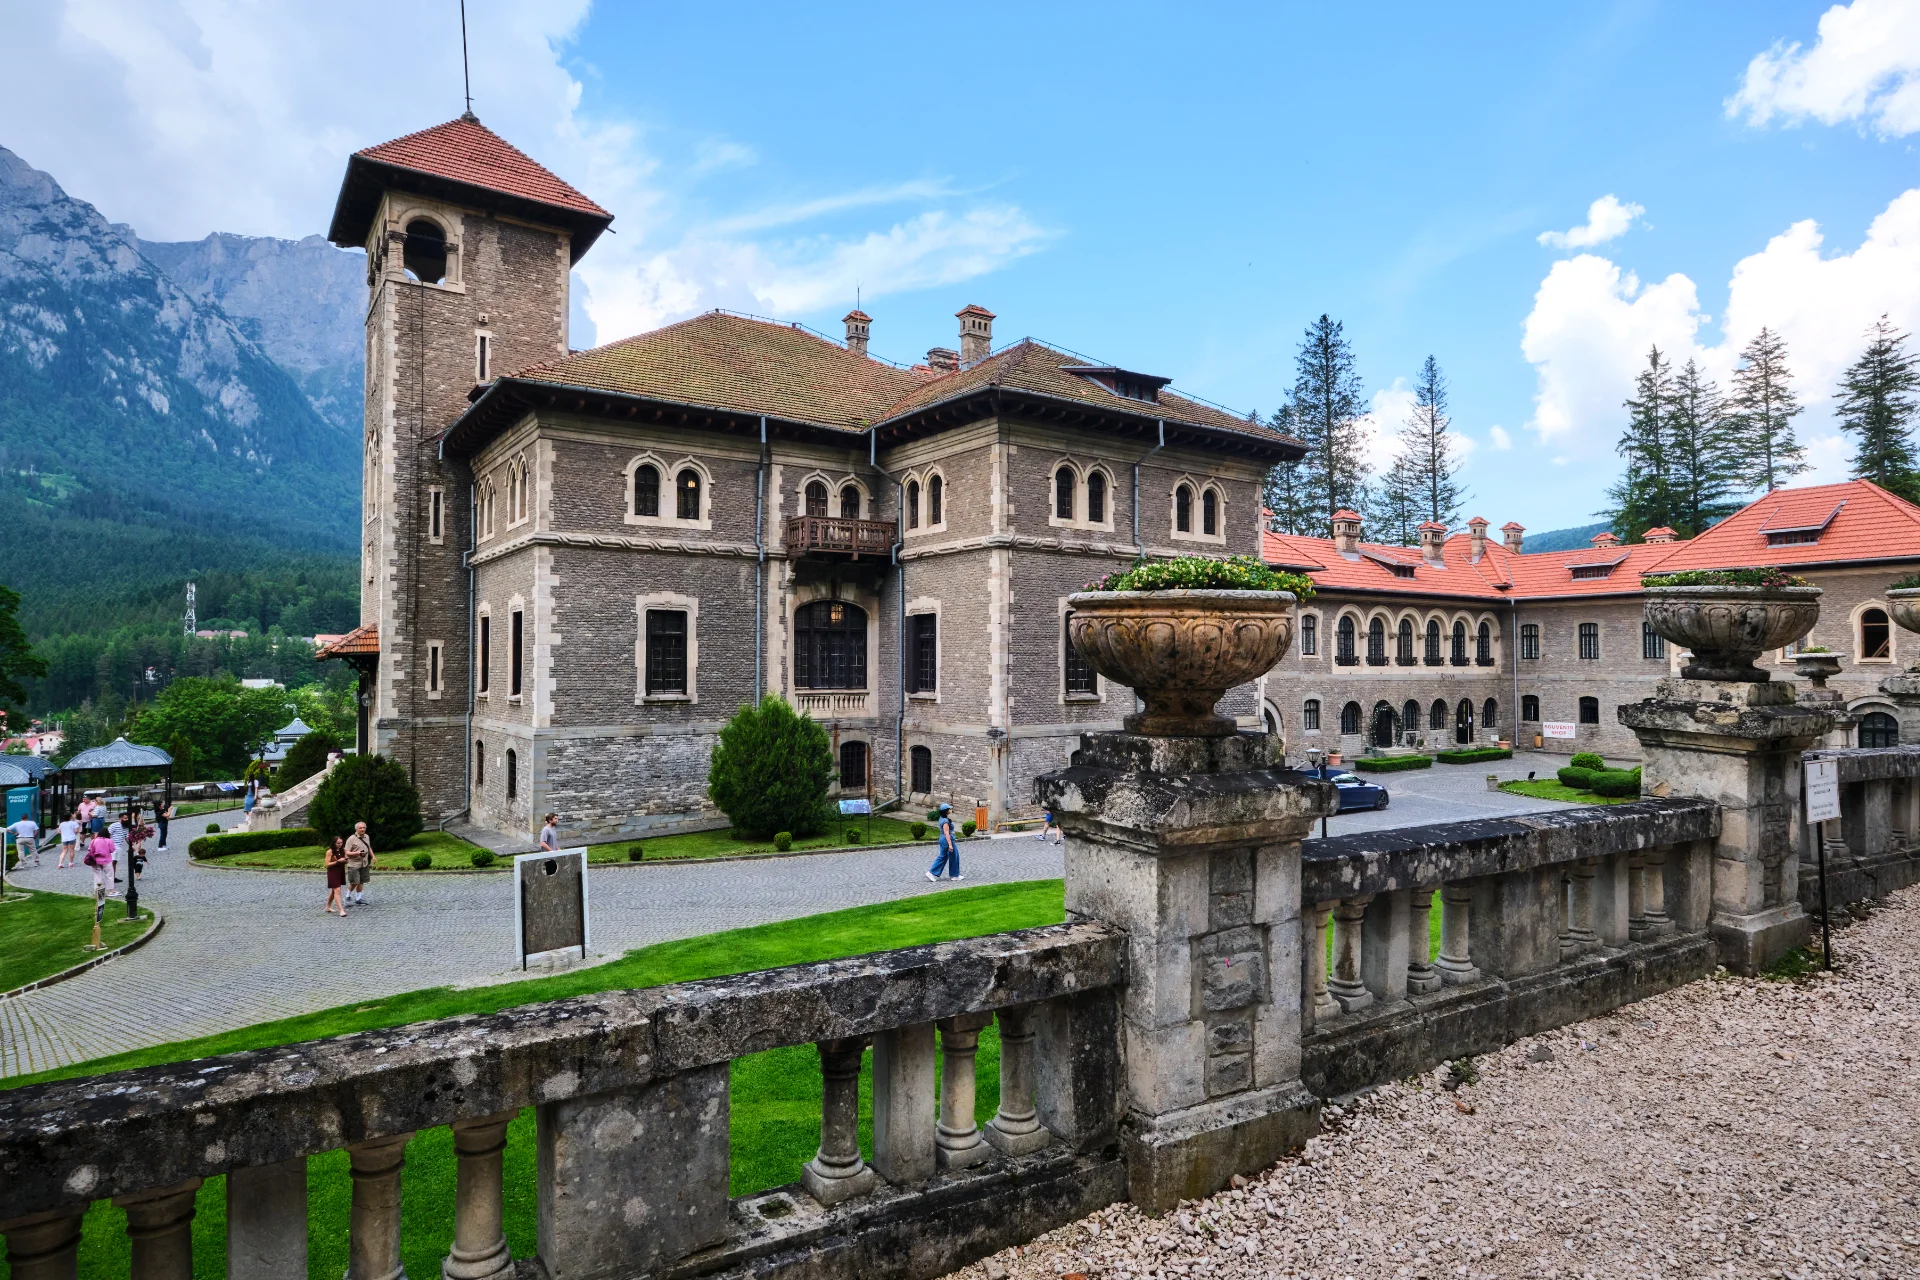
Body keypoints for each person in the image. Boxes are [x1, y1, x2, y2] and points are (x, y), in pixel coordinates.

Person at [925, 803, 963, 882]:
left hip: (943, 839)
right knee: (954, 856)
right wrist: (950, 845)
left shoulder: (942, 818)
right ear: (946, 811)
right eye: (949, 809)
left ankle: (931, 872)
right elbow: (946, 833)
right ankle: (954, 875)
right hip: (947, 840)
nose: (951, 810)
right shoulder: (945, 821)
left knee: (943, 856)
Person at [344, 821, 373, 905]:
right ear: (356, 829)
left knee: (361, 881)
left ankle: (358, 899)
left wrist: (373, 856)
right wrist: (357, 853)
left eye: (364, 828)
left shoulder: (366, 837)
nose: (362, 829)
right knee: (354, 882)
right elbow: (347, 853)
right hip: (354, 864)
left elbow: (369, 847)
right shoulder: (351, 839)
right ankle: (347, 896)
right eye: (360, 828)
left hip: (364, 863)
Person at [83, 830, 114, 896]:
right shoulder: (109, 840)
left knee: (97, 876)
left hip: (95, 860)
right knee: (109, 875)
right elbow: (112, 850)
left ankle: (98, 892)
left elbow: (90, 849)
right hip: (107, 860)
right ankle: (111, 891)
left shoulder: (94, 840)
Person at [324, 837, 349, 916]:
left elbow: (346, 860)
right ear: (334, 843)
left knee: (334, 891)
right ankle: (341, 910)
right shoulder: (330, 851)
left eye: (341, 843)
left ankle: (327, 907)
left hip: (340, 872)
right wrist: (337, 861)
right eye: (338, 843)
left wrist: (345, 860)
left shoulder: (343, 850)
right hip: (332, 872)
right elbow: (327, 864)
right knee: (337, 890)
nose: (340, 845)